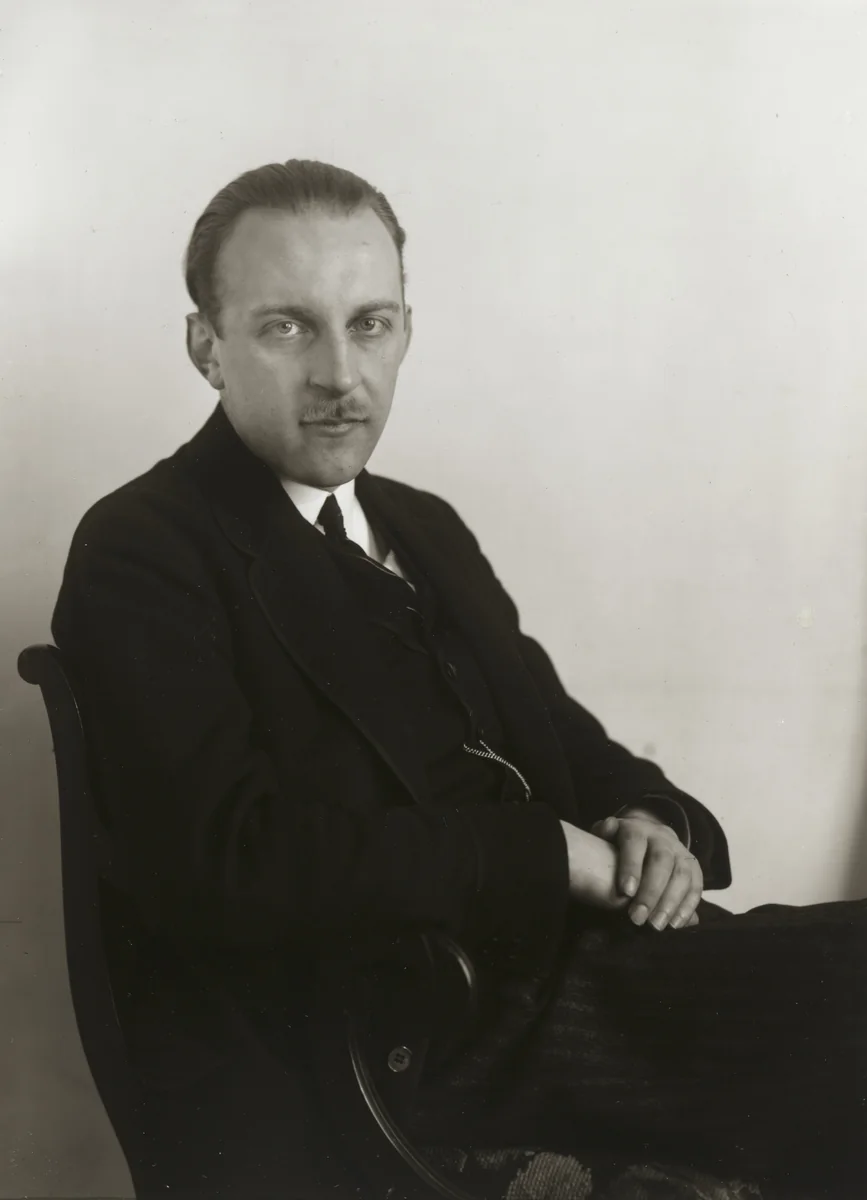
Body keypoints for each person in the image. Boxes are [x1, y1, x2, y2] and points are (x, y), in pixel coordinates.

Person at [51, 159, 864, 1198]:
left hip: (585, 980)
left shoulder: (424, 526)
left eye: (372, 323)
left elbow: (564, 743)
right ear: (206, 346)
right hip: (408, 1042)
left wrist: (649, 816)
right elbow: (231, 862)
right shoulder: (145, 548)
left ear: (407, 330)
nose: (341, 374)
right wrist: (537, 857)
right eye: (289, 327)